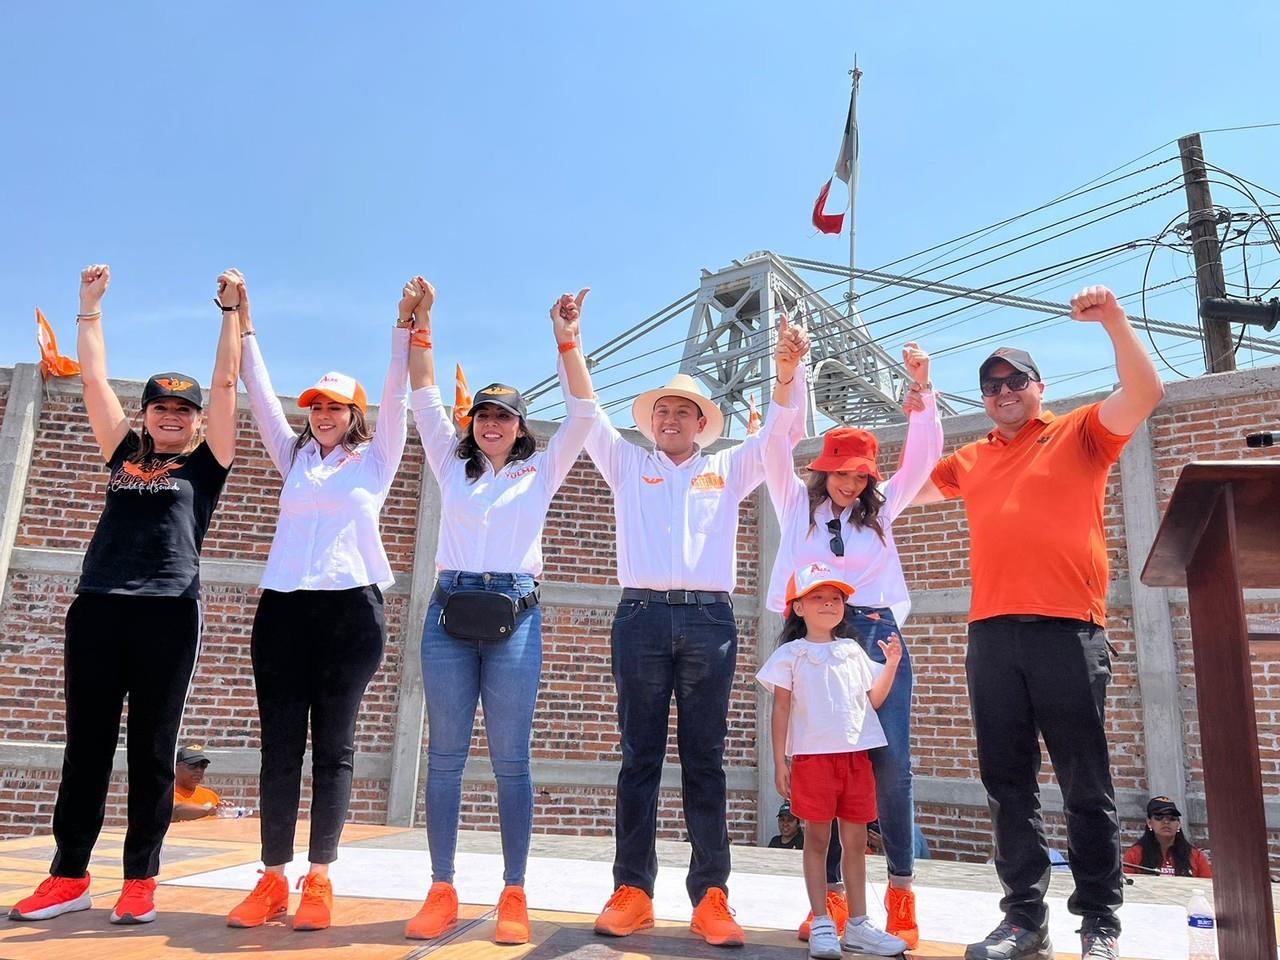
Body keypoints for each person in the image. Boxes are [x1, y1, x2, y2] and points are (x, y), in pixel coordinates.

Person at [912, 286, 1165, 960]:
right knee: (1007, 785)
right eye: (990, 385)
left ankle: (1100, 924)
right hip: (992, 636)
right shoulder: (971, 459)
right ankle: (1023, 920)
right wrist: (918, 399)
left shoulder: (1080, 433)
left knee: (1086, 782)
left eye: (1013, 380)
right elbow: (905, 486)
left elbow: (1144, 393)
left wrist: (1113, 321)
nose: (1001, 392)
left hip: (1068, 632)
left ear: (1037, 386)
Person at [7, 266, 240, 926]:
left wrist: (228, 312)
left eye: (182, 409)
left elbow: (226, 383)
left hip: (168, 613)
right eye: (161, 406)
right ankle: (68, 876)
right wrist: (88, 308)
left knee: (152, 751)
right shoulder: (121, 451)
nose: (172, 415)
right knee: (86, 747)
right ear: (146, 414)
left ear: (196, 420)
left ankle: (140, 880)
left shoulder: (208, 462)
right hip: (99, 607)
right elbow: (91, 379)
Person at [587, 317, 809, 948]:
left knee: (705, 762)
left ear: (701, 424)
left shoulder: (731, 469)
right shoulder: (627, 464)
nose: (671, 419)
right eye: (662, 411)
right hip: (641, 616)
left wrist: (787, 372)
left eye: (683, 411)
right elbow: (586, 412)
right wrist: (571, 344)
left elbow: (779, 434)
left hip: (710, 619)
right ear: (652, 421)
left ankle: (711, 895)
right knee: (639, 760)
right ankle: (632, 890)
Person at [401, 286, 597, 946]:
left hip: (515, 616)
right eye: (483, 415)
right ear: (473, 423)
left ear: (520, 427)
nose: (491, 424)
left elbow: (586, 412)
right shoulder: (449, 467)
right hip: (449, 616)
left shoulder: (540, 471)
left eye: (503, 417)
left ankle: (514, 892)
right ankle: (441, 888)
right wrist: (422, 327)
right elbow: (424, 397)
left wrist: (567, 339)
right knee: (447, 757)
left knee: (512, 760)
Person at [224, 276, 414, 933]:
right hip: (282, 610)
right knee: (280, 747)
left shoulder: (376, 460)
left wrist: (403, 331)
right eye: (315, 408)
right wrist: (244, 323)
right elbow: (256, 394)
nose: (322, 416)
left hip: (350, 612)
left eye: (335, 407)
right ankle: (272, 877)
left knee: (333, 748)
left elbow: (398, 398)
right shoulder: (294, 457)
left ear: (354, 414)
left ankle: (320, 878)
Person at [763, 336, 941, 949]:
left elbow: (922, 457)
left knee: (889, 768)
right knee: (824, 762)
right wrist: (789, 377)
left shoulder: (882, 509)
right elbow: (772, 449)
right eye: (838, 471)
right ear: (823, 470)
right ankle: (832, 909)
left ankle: (900, 896)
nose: (847, 482)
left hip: (875, 635)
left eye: (858, 474)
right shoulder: (795, 506)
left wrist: (921, 391)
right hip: (818, 634)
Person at [757, 562, 908, 959]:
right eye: (817, 597)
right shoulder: (792, 655)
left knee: (856, 842)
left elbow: (872, 701)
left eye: (836, 598)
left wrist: (891, 666)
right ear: (798, 607)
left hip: (855, 758)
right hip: (812, 762)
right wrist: (779, 761)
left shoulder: (853, 650)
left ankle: (858, 924)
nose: (828, 604)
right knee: (817, 839)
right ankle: (823, 920)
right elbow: (781, 710)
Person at [1123, 797, 1211, 878]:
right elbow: (1127, 888)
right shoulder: (1134, 854)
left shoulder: (1196, 856)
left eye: (1172, 818)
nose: (1166, 821)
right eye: (1159, 817)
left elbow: (1208, 887)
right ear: (1149, 823)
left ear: (1179, 824)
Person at [172, 745, 222, 821]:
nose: (199, 770)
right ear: (175, 766)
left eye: (203, 766)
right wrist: (208, 810)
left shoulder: (211, 795)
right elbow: (176, 811)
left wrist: (226, 811)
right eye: (192, 766)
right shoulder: (166, 795)